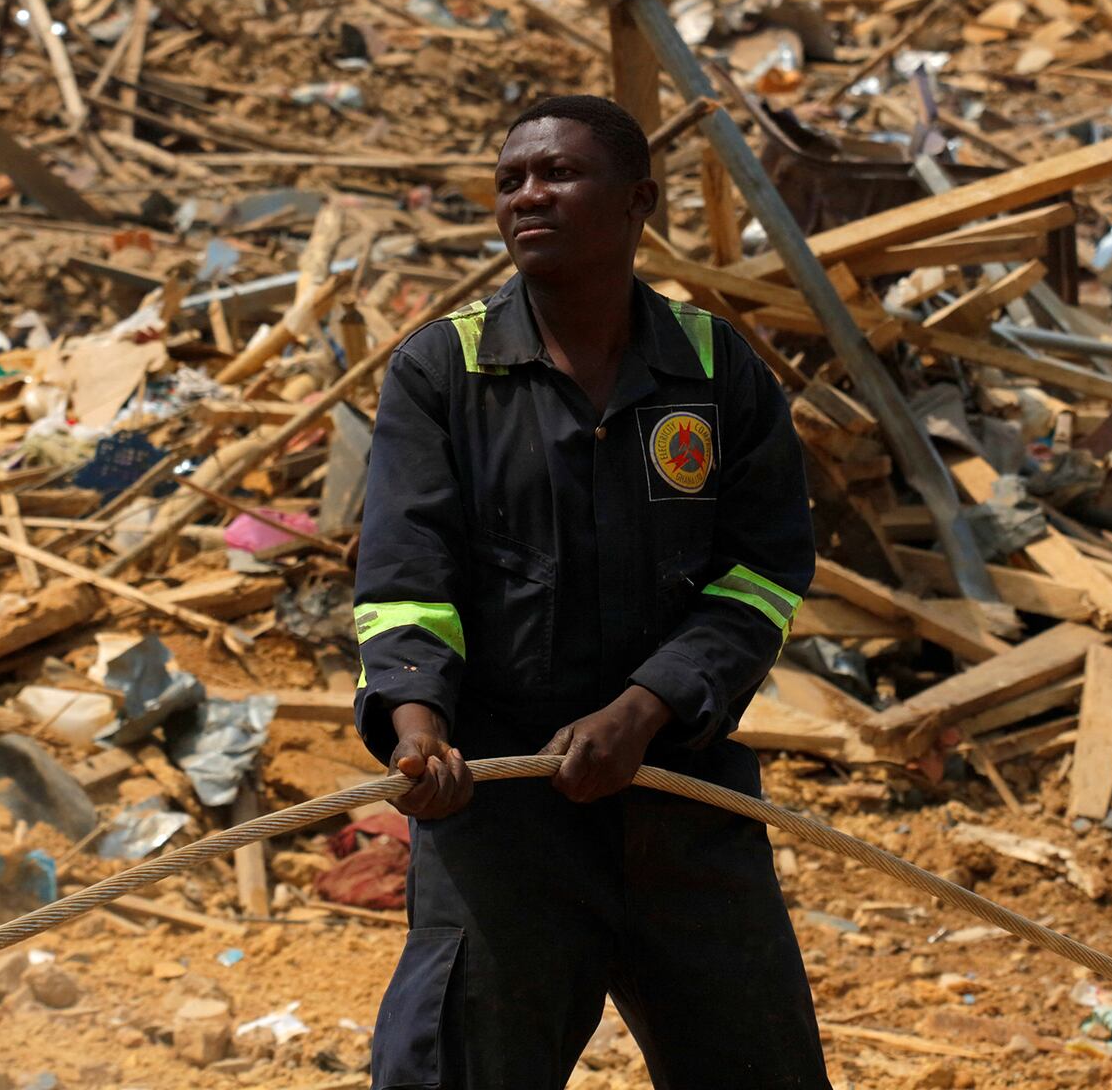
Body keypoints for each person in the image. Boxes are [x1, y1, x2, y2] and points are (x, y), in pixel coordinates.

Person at [349, 94, 830, 1090]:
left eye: (558, 173)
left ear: (637, 201)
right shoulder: (444, 369)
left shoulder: (713, 368)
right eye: (511, 178)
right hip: (501, 811)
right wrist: (418, 725)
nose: (528, 194)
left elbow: (762, 568)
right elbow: (407, 574)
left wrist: (647, 707)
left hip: (677, 798)